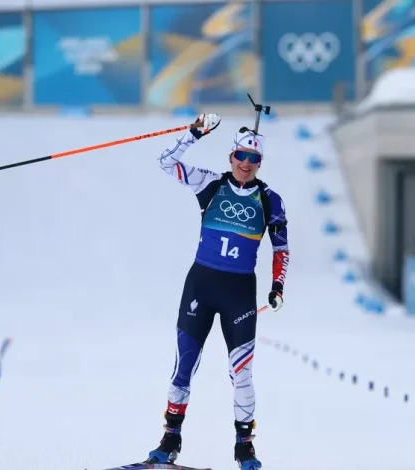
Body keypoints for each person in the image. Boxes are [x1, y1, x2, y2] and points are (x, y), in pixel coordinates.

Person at [146, 113, 289, 470]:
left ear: (260, 162)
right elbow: (167, 162)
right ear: (230, 156)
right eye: (240, 155)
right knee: (184, 367)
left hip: (239, 291)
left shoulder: (270, 199)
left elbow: (281, 248)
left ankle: (244, 446)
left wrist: (277, 286)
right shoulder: (210, 184)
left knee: (241, 372)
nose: (245, 163)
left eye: (253, 158)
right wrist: (194, 133)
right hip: (201, 285)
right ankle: (170, 438)